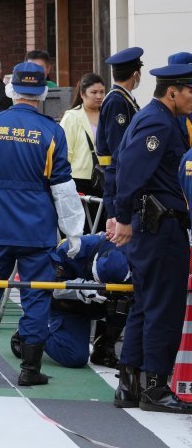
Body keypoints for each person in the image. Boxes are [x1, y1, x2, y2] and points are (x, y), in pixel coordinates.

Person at [0, 62, 84, 387]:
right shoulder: (51, 131)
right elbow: (63, 187)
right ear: (42, 92)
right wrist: (74, 231)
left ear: (12, 89)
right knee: (36, 293)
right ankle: (29, 368)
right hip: (36, 224)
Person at [106, 62, 192, 413]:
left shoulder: (158, 117)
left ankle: (130, 384)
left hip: (154, 226)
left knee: (144, 306)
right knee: (164, 309)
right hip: (161, 227)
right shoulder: (158, 121)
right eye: (190, 91)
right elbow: (130, 170)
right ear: (173, 91)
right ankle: (155, 388)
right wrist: (123, 217)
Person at [9, 234, 129, 369]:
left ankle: (104, 348)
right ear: (95, 262)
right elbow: (48, 287)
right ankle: (32, 331)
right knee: (74, 357)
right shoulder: (71, 249)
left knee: (128, 300)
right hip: (68, 303)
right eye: (101, 280)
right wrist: (82, 289)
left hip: (103, 302)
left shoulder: (135, 252)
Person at [95, 47, 143, 171]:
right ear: (136, 74)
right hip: (117, 171)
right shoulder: (116, 101)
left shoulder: (123, 97)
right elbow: (118, 143)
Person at [59, 73, 106, 196]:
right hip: (79, 179)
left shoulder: (107, 114)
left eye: (102, 92)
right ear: (82, 94)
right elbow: (64, 152)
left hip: (105, 176)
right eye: (94, 92)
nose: (99, 96)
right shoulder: (72, 117)